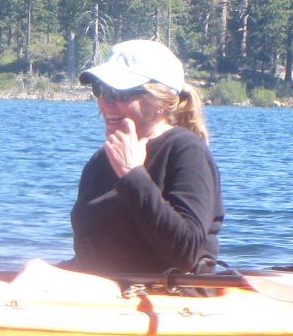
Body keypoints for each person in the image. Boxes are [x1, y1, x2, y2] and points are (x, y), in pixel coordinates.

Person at [66, 38, 223, 280]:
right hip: (104, 292)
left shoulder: (186, 150)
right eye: (101, 90)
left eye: (119, 92)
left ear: (160, 99)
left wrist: (132, 174)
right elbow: (91, 255)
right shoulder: (101, 160)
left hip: (168, 295)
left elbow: (185, 254)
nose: (105, 102)